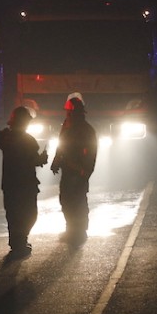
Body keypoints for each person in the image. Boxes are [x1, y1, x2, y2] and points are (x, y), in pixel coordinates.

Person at [0, 106, 49, 259]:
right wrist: (43, 158)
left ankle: (17, 243)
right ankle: (20, 242)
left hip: (10, 185)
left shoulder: (6, 137)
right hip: (26, 185)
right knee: (29, 214)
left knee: (13, 214)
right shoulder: (28, 141)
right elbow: (35, 160)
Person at [50, 94, 97, 245]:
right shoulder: (68, 126)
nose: (68, 115)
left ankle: (79, 231)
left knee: (77, 201)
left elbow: (90, 154)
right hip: (70, 170)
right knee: (67, 200)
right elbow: (61, 144)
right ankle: (72, 229)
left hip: (78, 171)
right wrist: (57, 161)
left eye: (69, 112)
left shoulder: (85, 130)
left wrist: (84, 171)